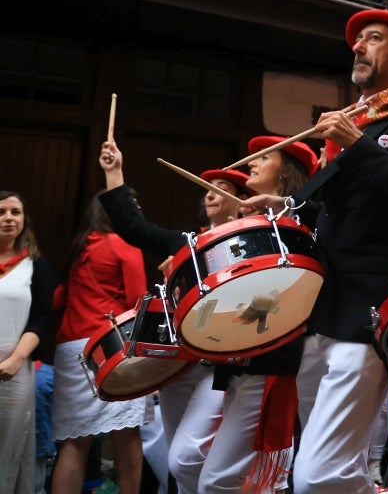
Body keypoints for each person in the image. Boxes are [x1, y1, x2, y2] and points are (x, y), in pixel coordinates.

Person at [242, 9, 388, 494]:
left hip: (370, 311)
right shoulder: (351, 127)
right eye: (356, 40)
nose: (357, 46)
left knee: (317, 477)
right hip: (321, 311)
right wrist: (288, 204)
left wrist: (357, 144)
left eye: (373, 38)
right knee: (340, 470)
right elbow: (332, 213)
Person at [99, 139, 310, 494]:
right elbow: (138, 230)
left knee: (198, 464)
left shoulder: (294, 226)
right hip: (209, 362)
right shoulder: (196, 243)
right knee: (183, 462)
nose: (252, 164)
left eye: (227, 188)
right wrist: (113, 171)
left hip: (254, 363)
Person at [50, 192, 151, 494]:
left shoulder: (81, 247)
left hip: (71, 350)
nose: (138, 207)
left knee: (75, 442)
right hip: (111, 345)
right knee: (126, 433)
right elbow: (139, 302)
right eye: (132, 204)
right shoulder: (124, 244)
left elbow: (58, 300)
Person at [0, 191, 55, 494]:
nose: (8, 217)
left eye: (15, 212)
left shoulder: (37, 266)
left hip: (14, 370)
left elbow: (41, 319)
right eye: (2, 212)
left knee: (9, 446)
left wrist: (16, 359)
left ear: (24, 220)